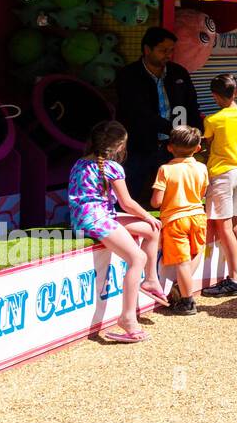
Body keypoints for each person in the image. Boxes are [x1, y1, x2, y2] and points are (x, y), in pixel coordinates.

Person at [69, 121, 167, 342]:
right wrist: (148, 214)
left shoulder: (79, 163)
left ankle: (151, 280)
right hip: (96, 219)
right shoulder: (113, 168)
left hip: (87, 218)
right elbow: (127, 203)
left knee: (151, 231)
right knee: (137, 257)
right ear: (120, 145)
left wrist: (147, 221)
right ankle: (128, 318)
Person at [114, 26, 203, 207]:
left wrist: (196, 132)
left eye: (171, 50)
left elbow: (191, 105)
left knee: (172, 197)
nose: (168, 55)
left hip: (174, 146)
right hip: (138, 146)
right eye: (163, 50)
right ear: (147, 49)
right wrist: (174, 130)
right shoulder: (129, 76)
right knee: (129, 193)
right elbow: (139, 113)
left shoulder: (179, 73)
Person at [201, 74, 237, 298]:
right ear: (236, 92)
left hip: (222, 173)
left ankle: (234, 279)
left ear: (215, 96)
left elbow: (208, 143)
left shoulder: (212, 120)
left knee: (224, 227)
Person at [151, 125, 209, 316]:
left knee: (182, 262)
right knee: (197, 251)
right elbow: (202, 193)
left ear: (169, 147)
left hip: (175, 220)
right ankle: (181, 287)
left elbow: (156, 202)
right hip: (198, 216)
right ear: (198, 148)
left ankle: (187, 301)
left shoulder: (165, 169)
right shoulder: (202, 168)